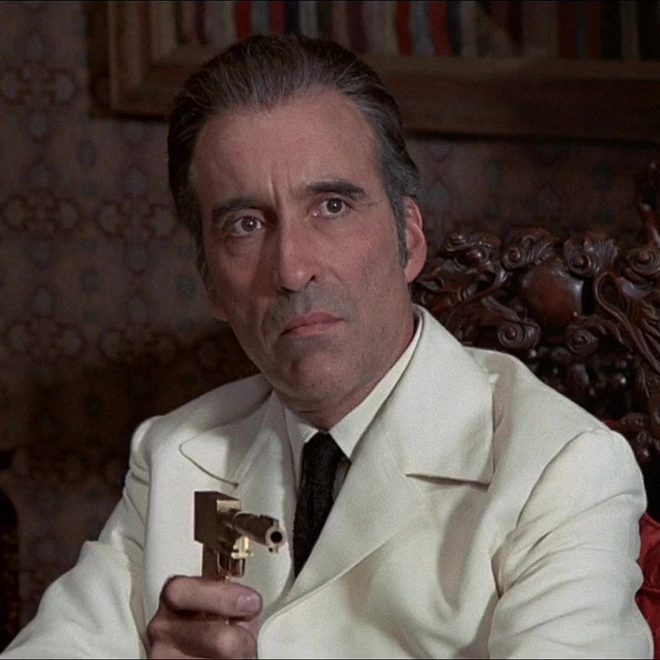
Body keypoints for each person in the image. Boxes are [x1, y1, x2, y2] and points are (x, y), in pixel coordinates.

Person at [2, 34, 652, 659]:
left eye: (332, 206)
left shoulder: (562, 468)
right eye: (245, 224)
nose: (291, 268)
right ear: (209, 284)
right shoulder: (175, 454)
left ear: (408, 239)